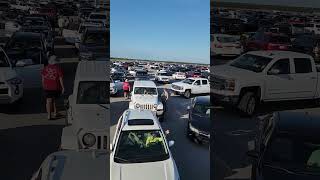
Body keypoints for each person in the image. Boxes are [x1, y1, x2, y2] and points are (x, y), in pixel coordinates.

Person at [41, 55, 65, 120]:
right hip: (56, 87)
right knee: (55, 100)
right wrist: (63, 87)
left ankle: (49, 115)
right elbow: (60, 79)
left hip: (47, 87)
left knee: (48, 101)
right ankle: (55, 113)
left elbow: (43, 78)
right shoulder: (58, 68)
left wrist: (43, 85)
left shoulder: (45, 68)